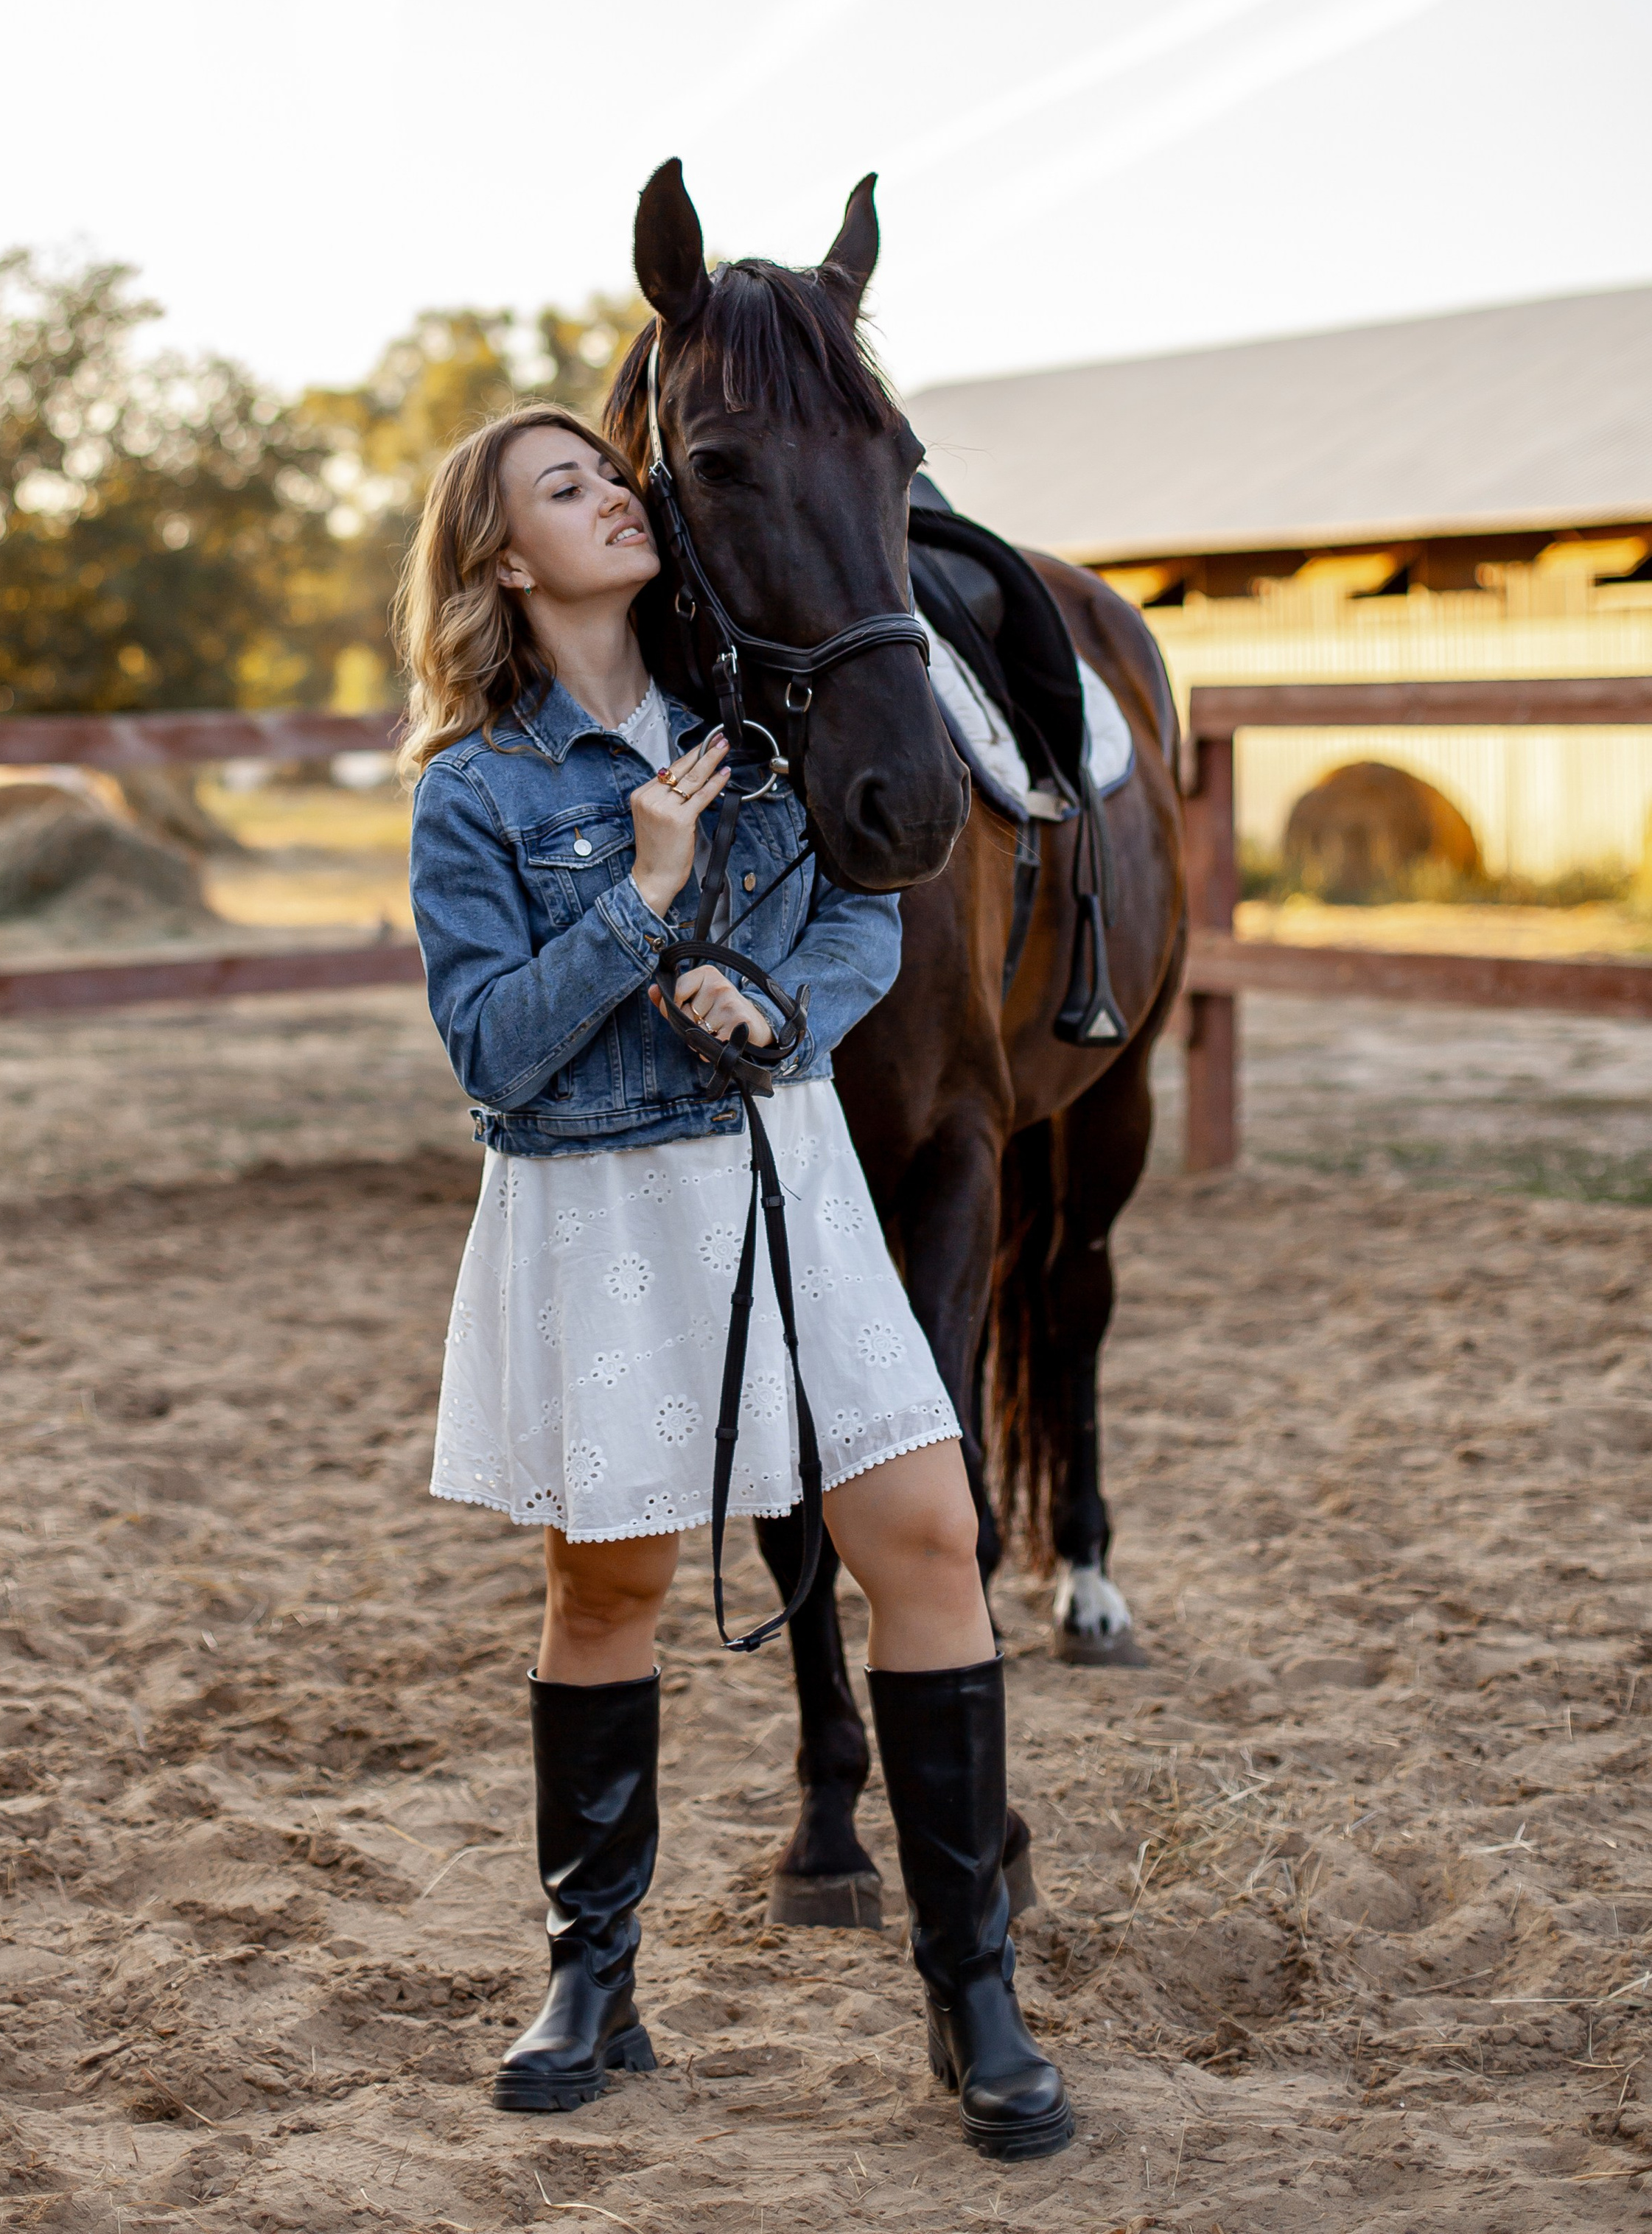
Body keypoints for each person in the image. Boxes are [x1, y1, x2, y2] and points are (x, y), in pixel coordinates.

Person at [399, 399, 1071, 2161]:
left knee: (924, 1540)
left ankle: (968, 1992)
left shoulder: (754, 736)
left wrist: (782, 1011)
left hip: (787, 1182)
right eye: (566, 487)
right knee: (604, 1588)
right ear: (497, 554)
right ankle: (590, 1979)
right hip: (597, 1214)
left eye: (609, 475)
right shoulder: (473, 792)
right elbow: (488, 1052)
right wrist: (647, 902)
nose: (611, 496)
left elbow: (867, 914)